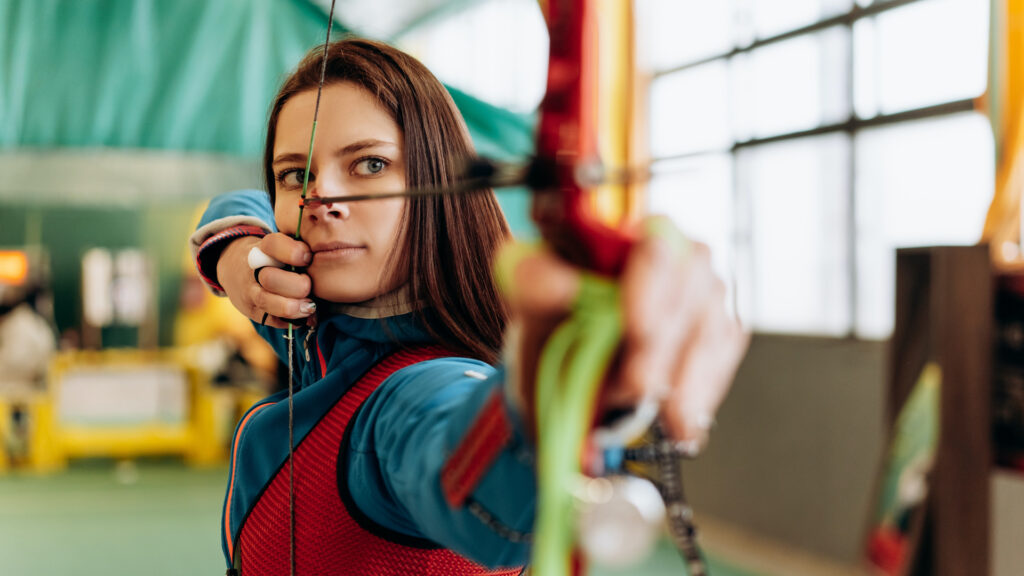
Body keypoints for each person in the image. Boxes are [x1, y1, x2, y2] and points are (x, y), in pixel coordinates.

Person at [190, 38, 747, 575]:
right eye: (296, 175)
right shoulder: (315, 326)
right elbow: (240, 203)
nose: (321, 200)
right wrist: (237, 255)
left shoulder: (415, 391)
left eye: (370, 165)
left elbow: (473, 480)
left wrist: (553, 391)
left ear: (441, 180)